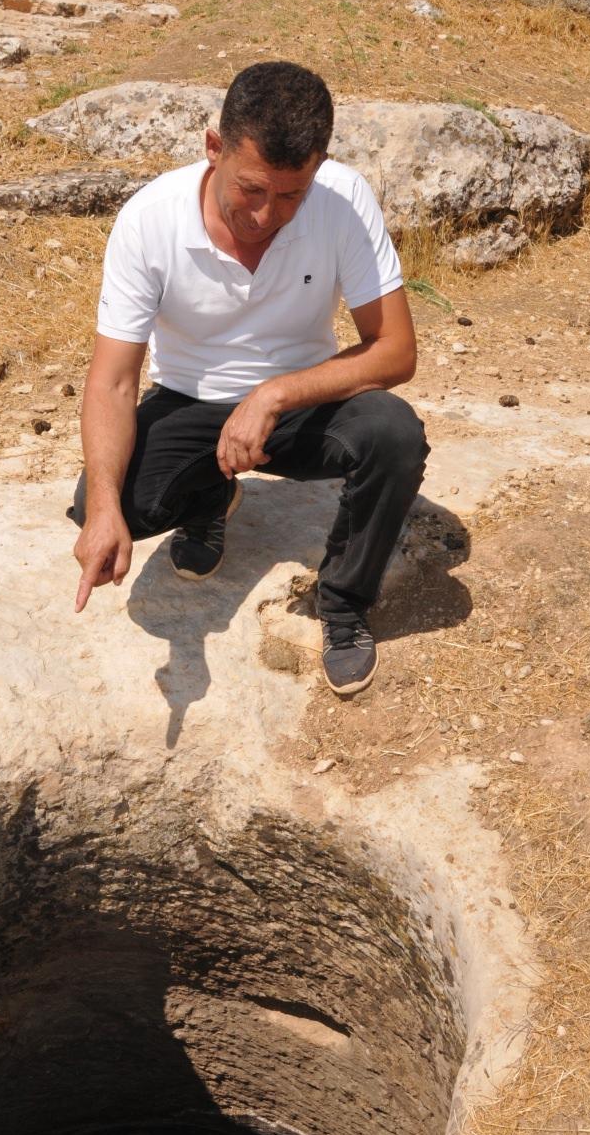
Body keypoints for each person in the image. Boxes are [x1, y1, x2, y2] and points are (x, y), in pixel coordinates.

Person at [70, 60, 427, 695]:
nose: (267, 215)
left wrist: (275, 393)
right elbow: (114, 383)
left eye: (292, 194)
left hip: (302, 404)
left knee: (393, 436)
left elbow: (395, 350)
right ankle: (210, 498)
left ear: (319, 166)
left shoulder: (343, 201)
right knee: (108, 506)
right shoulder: (149, 219)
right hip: (189, 397)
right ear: (214, 148)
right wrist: (102, 511)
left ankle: (344, 605)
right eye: (252, 190)